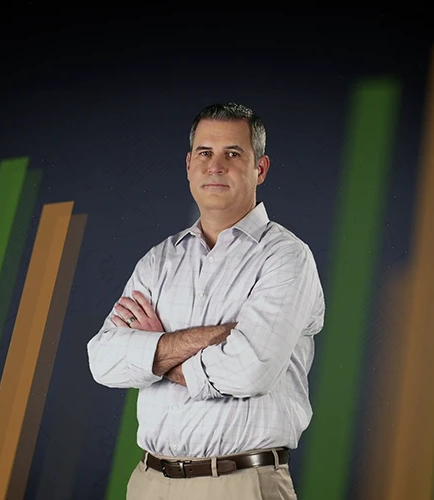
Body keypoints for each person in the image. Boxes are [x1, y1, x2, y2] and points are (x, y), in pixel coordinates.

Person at [87, 102, 325, 500]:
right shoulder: (159, 260)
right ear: (188, 165)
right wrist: (213, 338)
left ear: (259, 169)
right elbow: (103, 360)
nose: (215, 166)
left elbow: (249, 371)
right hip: (149, 483)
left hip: (242, 483)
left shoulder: (287, 257)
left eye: (233, 153)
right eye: (204, 152)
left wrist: (151, 351)